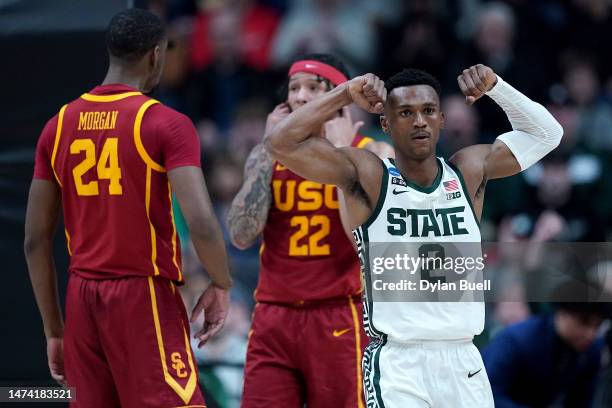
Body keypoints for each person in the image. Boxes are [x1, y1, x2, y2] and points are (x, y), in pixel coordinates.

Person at [265, 65, 563, 407]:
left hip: (464, 359)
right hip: (399, 364)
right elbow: (279, 143)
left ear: (441, 120)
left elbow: (548, 134)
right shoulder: (369, 175)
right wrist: (346, 93)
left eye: (428, 111)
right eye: (405, 112)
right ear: (386, 124)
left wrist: (496, 87)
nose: (419, 120)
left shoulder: (468, 170)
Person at [24, 9, 232, 408]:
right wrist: (221, 283)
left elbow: (34, 240)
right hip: (143, 295)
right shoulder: (165, 123)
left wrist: (55, 330)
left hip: (81, 298)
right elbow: (202, 223)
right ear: (156, 55)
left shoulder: (58, 124)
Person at [227, 53, 392, 407]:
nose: (300, 96)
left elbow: (367, 244)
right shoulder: (267, 157)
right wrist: (268, 153)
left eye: (314, 88)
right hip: (273, 314)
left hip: (340, 311)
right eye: (293, 88)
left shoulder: (373, 152)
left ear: (340, 100)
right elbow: (241, 235)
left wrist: (342, 157)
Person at [483, 302, 607, 407]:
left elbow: (581, 401)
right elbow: (489, 394)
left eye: (597, 325)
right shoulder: (517, 341)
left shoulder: (591, 350)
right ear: (562, 312)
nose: (591, 333)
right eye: (584, 322)